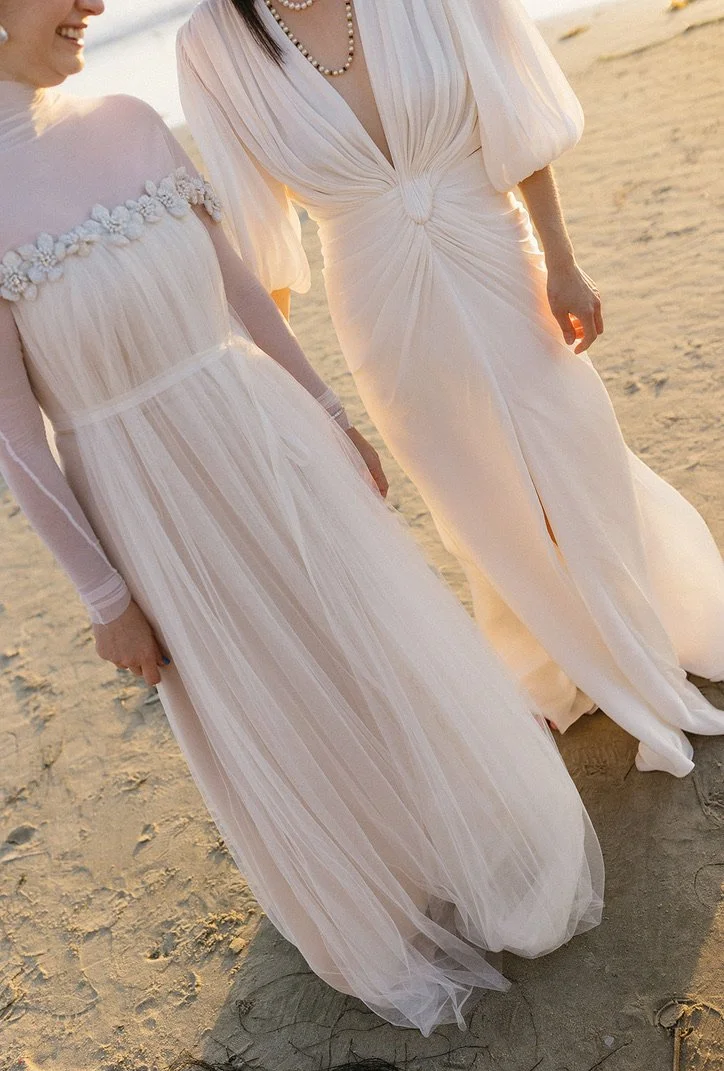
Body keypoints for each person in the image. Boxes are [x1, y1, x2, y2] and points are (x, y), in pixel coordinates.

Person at [0, 0, 603, 1036]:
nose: (92, 2)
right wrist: (104, 594)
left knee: (367, 633)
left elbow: (238, 288)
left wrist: (327, 412)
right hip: (147, 499)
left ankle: (458, 835)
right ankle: (376, 880)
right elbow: (17, 438)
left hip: (267, 429)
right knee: (266, 685)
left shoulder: (130, 119)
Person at [177, 0, 724, 778]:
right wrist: (285, 393)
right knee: (480, 500)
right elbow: (255, 239)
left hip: (498, 252)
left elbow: (512, 109)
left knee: (578, 452)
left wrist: (563, 261)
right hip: (381, 305)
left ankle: (641, 644)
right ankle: (555, 660)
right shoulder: (210, 45)